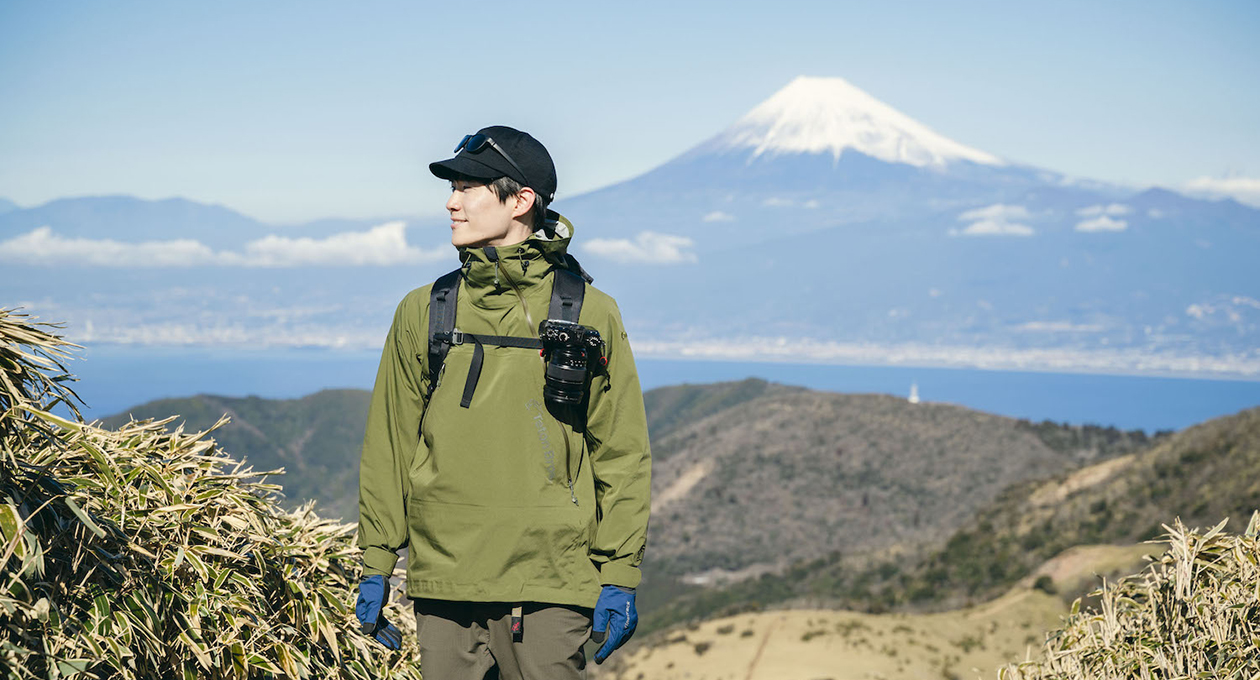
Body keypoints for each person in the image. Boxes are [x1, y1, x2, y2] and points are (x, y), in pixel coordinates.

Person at [355, 125, 652, 679]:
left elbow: (622, 452)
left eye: (470, 186)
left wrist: (620, 572)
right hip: (446, 574)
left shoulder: (591, 312)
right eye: (452, 187)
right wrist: (375, 562)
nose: (451, 201)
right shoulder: (425, 310)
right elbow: (389, 444)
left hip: (551, 577)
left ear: (521, 201)